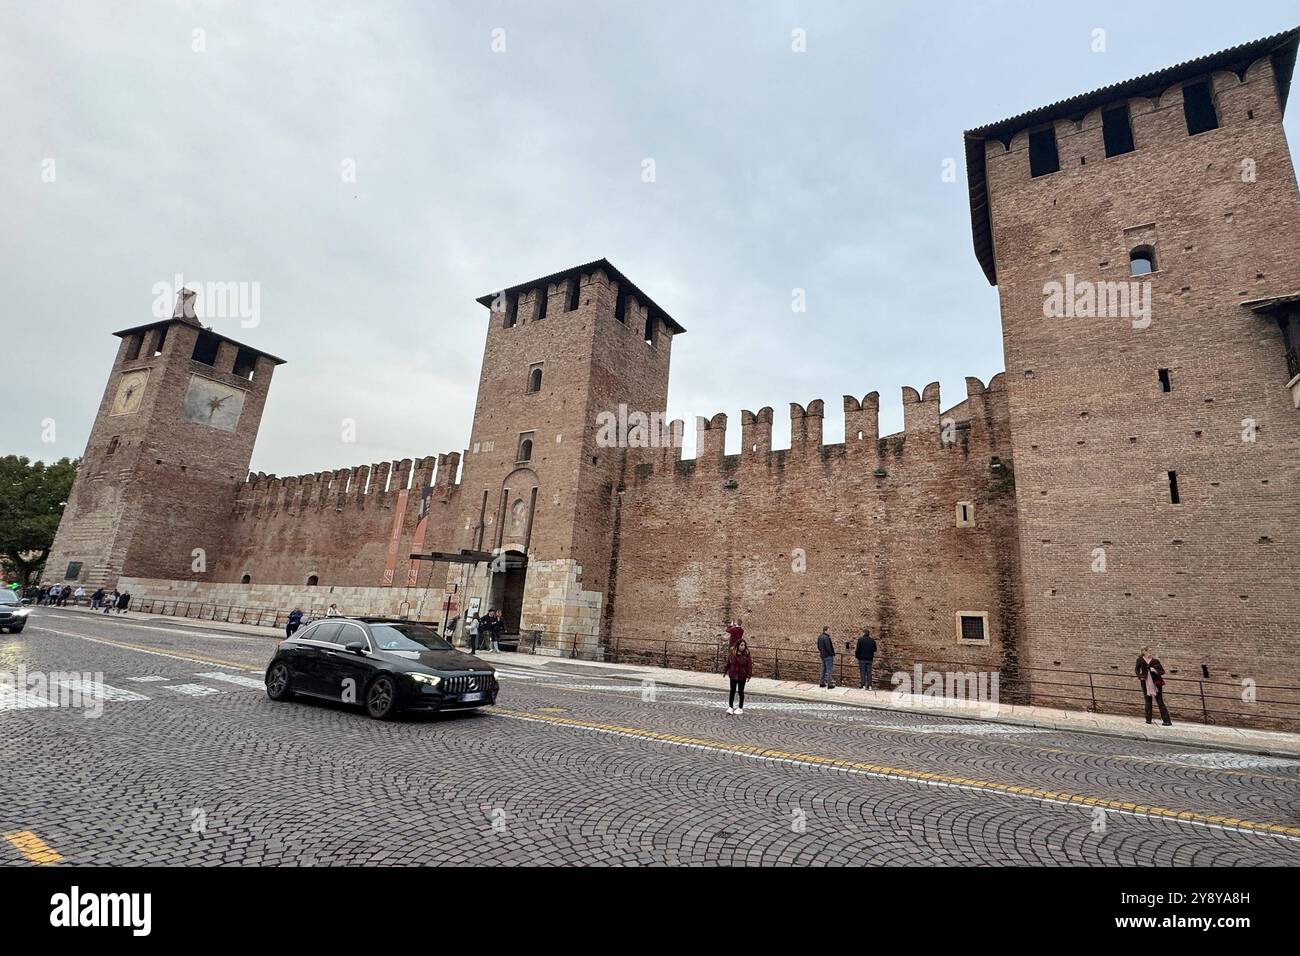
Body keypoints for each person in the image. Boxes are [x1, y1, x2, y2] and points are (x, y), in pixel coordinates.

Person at [1135, 646, 1173, 726]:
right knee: (1148, 701)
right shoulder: (1140, 660)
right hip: (1145, 682)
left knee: (1160, 701)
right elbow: (1136, 670)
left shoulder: (1155, 661)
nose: (1151, 652)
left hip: (1156, 683)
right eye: (1149, 651)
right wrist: (1140, 676)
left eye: (1151, 651)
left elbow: (1162, 671)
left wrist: (1155, 671)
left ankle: (1167, 721)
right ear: (1144, 652)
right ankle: (1148, 720)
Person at [724, 638, 754, 715]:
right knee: (732, 691)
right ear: (738, 645)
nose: (743, 647)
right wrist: (725, 671)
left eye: (744, 645)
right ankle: (730, 707)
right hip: (733, 675)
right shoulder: (732, 653)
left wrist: (748, 675)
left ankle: (740, 708)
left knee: (741, 692)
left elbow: (749, 665)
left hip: (742, 675)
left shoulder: (746, 654)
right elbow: (729, 662)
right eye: (741, 645)